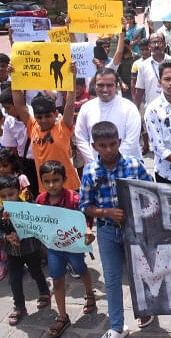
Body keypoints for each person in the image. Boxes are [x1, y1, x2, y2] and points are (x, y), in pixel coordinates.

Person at [79, 121, 154, 337]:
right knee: (112, 279)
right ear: (94, 146)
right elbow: (85, 205)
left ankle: (145, 310)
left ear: (120, 142)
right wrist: (106, 213)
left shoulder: (134, 165)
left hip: (135, 229)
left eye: (113, 144)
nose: (109, 149)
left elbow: (150, 192)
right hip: (107, 231)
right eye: (103, 145)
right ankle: (116, 326)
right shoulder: (90, 171)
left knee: (140, 273)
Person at [36, 160, 96, 338]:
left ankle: (89, 293)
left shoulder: (74, 199)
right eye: (47, 181)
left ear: (65, 179)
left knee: (81, 269)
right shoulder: (40, 200)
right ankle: (62, 316)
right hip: (54, 248)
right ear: (42, 181)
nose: (51, 185)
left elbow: (85, 218)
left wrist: (87, 230)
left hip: (74, 246)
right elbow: (34, 220)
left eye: (56, 180)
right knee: (57, 280)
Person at [12, 66, 80, 193]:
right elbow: (19, 105)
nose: (43, 120)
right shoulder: (32, 126)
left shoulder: (63, 126)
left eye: (48, 116)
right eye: (39, 117)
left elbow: (70, 103)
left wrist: (72, 77)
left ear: (55, 113)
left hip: (69, 188)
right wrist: (15, 77)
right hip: (45, 190)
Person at [0, 175, 51, 326]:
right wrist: (6, 235)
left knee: (36, 272)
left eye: (11, 194)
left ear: (19, 191)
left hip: (30, 249)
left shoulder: (29, 207)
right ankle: (19, 306)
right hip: (12, 252)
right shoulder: (1, 211)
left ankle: (44, 292)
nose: (8, 198)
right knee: (14, 279)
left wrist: (21, 232)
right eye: (3, 196)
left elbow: (37, 226)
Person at [75, 68, 142, 166]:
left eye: (109, 85)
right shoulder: (86, 108)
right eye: (100, 85)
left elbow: (131, 141)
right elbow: (81, 138)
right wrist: (94, 162)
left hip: (127, 166)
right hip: (95, 167)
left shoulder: (129, 107)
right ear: (94, 85)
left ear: (116, 86)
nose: (105, 89)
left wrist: (113, 162)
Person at [0, 88, 39, 197]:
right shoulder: (9, 121)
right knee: (29, 195)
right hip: (25, 163)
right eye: (4, 108)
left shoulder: (37, 114)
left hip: (41, 160)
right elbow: (10, 148)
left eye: (8, 108)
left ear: (17, 104)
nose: (6, 111)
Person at [134, 33, 171, 113]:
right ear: (149, 46)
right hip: (152, 111)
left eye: (159, 42)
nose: (156, 45)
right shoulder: (143, 66)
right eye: (153, 42)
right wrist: (136, 110)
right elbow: (139, 91)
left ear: (164, 44)